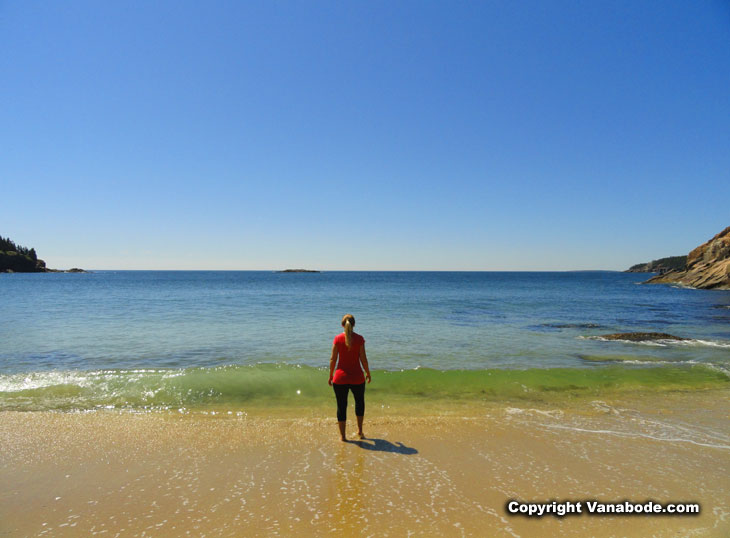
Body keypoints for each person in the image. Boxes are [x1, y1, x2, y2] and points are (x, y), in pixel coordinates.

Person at [328, 314, 371, 441]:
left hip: (340, 378)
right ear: (354, 325)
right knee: (359, 403)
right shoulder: (359, 339)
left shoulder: (337, 338)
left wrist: (330, 375)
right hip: (357, 378)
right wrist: (368, 373)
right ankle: (360, 431)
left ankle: (343, 436)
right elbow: (363, 359)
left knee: (341, 406)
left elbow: (333, 359)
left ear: (342, 325)